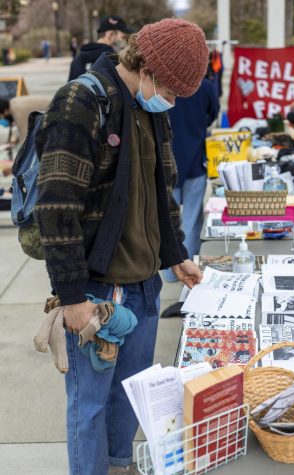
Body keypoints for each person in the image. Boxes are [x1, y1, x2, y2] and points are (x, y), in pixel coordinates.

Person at [34, 18, 208, 475]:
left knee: (129, 399)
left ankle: (119, 468)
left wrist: (177, 256)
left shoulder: (150, 110)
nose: (170, 101)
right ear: (146, 65)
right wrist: (71, 298)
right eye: (169, 90)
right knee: (89, 408)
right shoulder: (80, 101)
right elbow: (56, 207)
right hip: (97, 292)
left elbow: (161, 191)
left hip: (144, 286)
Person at [162, 76, 219, 285]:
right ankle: (190, 266)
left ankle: (169, 271)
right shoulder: (205, 87)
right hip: (195, 159)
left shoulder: (162, 82)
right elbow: (212, 114)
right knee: (192, 220)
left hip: (167, 163)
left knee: (167, 220)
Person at [68, 15, 133, 81]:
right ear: (110, 34)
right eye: (123, 37)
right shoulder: (111, 58)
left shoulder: (79, 55)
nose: (124, 42)